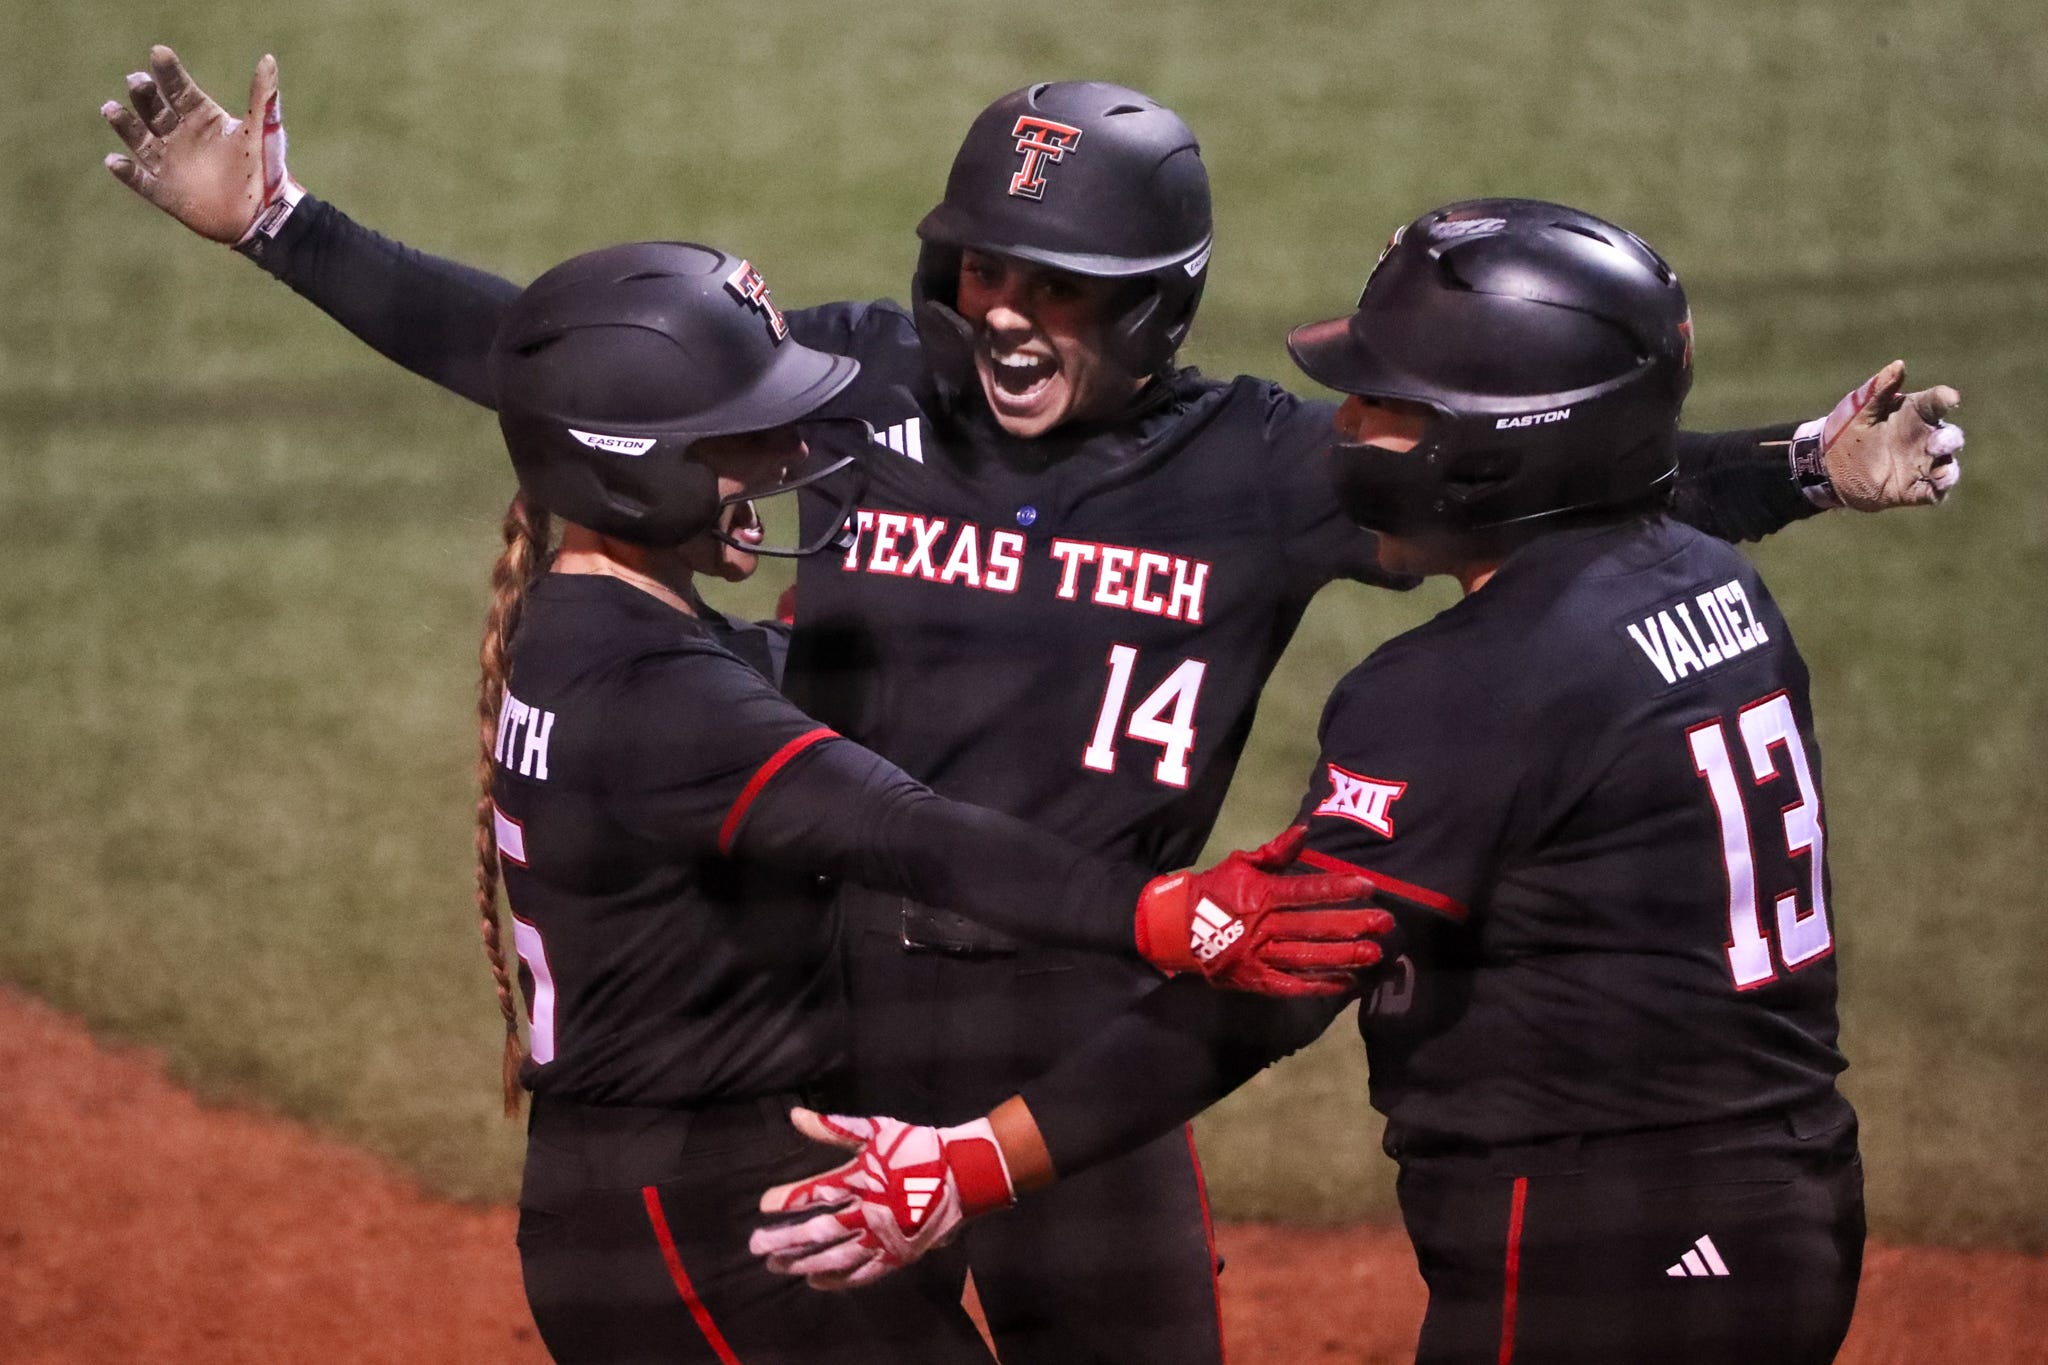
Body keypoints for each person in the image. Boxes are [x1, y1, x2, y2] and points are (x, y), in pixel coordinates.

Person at [101, 51, 1960, 1363]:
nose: (1004, 315)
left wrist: (1794, 468)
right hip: (821, 1031)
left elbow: (1527, 475)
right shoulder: (865, 389)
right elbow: (568, 362)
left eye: (1058, 288)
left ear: (1149, 308)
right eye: (984, 264)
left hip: (1089, 1039)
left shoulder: (1256, 467)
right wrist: (283, 228)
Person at [754, 199, 1886, 1365]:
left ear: (1501, 442)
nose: (1339, 433)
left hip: (1601, 1238)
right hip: (1778, 1188)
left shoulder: (1464, 682)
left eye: (1384, 408)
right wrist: (1791, 466)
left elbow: (1276, 980)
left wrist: (970, 1159)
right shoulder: (1707, 589)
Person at [463, 239, 1391, 1363]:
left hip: (712, 1199)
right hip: (689, 1232)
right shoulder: (661, 695)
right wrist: (1161, 913)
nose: (786, 454)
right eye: (741, 436)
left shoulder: (608, 637)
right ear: (629, 464)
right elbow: (905, 828)